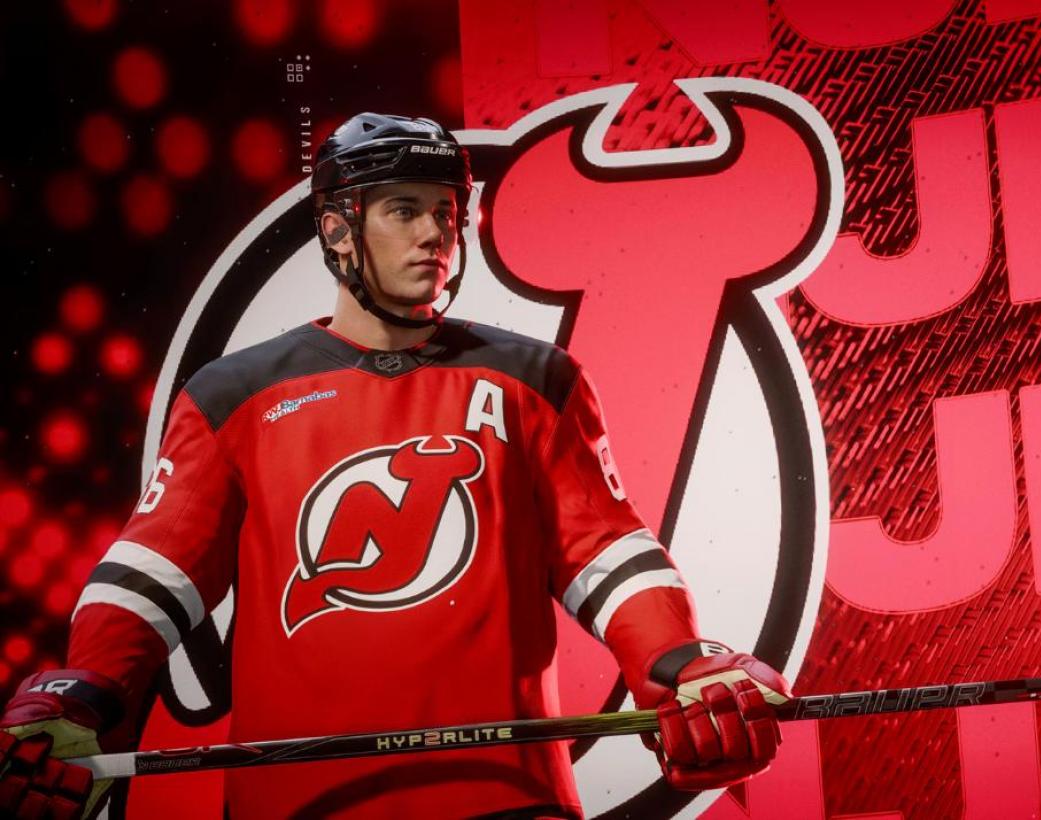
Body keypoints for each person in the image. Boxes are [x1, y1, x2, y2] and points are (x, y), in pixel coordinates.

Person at [0, 113, 789, 819]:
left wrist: (681, 664)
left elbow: (605, 549)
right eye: (404, 210)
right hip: (300, 803)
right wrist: (86, 692)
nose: (435, 234)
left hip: (508, 799)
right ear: (337, 229)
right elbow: (153, 571)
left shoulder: (535, 379)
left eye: (446, 211)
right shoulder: (233, 394)